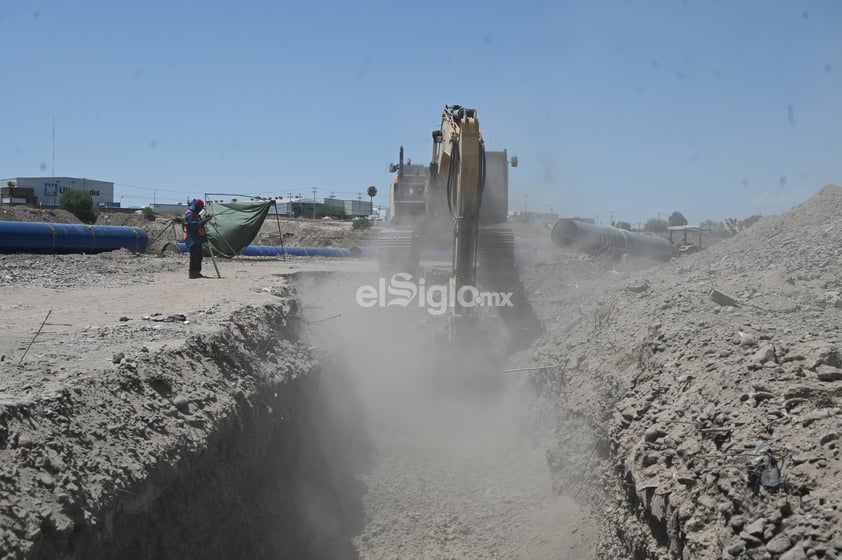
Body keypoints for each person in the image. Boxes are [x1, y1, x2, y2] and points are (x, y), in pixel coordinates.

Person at [182, 198, 213, 279]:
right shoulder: (190, 215)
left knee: (199, 256)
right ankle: (192, 273)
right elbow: (194, 225)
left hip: (197, 238)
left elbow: (198, 223)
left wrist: (204, 219)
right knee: (194, 257)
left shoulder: (195, 214)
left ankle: (197, 272)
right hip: (192, 239)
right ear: (196, 206)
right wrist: (205, 220)